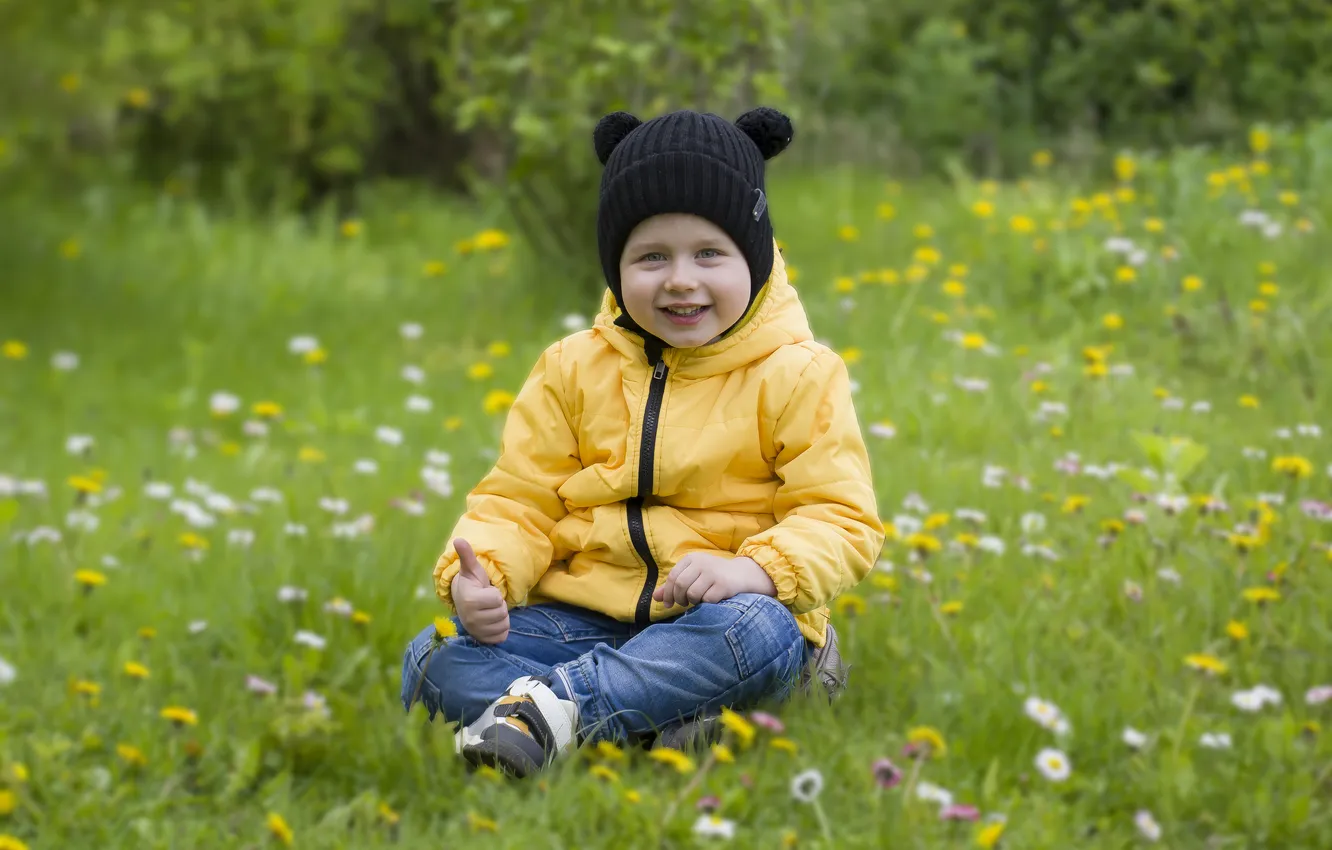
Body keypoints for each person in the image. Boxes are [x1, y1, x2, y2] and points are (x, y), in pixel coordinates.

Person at [400, 105, 885, 777]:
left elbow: (841, 518)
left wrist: (754, 571)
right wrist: (483, 578)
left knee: (760, 633)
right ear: (614, 266)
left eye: (708, 254)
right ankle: (643, 720)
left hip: (721, 620)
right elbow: (521, 500)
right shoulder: (572, 368)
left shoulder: (799, 374)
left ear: (755, 255)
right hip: (586, 617)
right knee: (434, 655)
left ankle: (557, 711)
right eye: (651, 256)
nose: (681, 279)